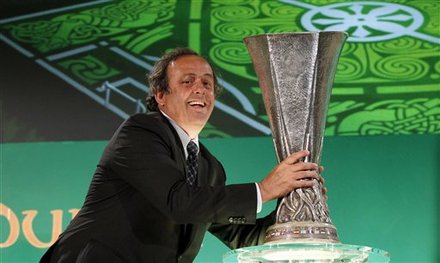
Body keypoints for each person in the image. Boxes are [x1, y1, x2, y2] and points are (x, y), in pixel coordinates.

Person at [40, 47, 324, 262]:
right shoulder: (140, 132)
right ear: (160, 96)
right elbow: (178, 202)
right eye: (187, 81)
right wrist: (264, 189)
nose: (200, 88)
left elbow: (241, 235)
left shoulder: (209, 167)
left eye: (207, 83)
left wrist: (294, 204)